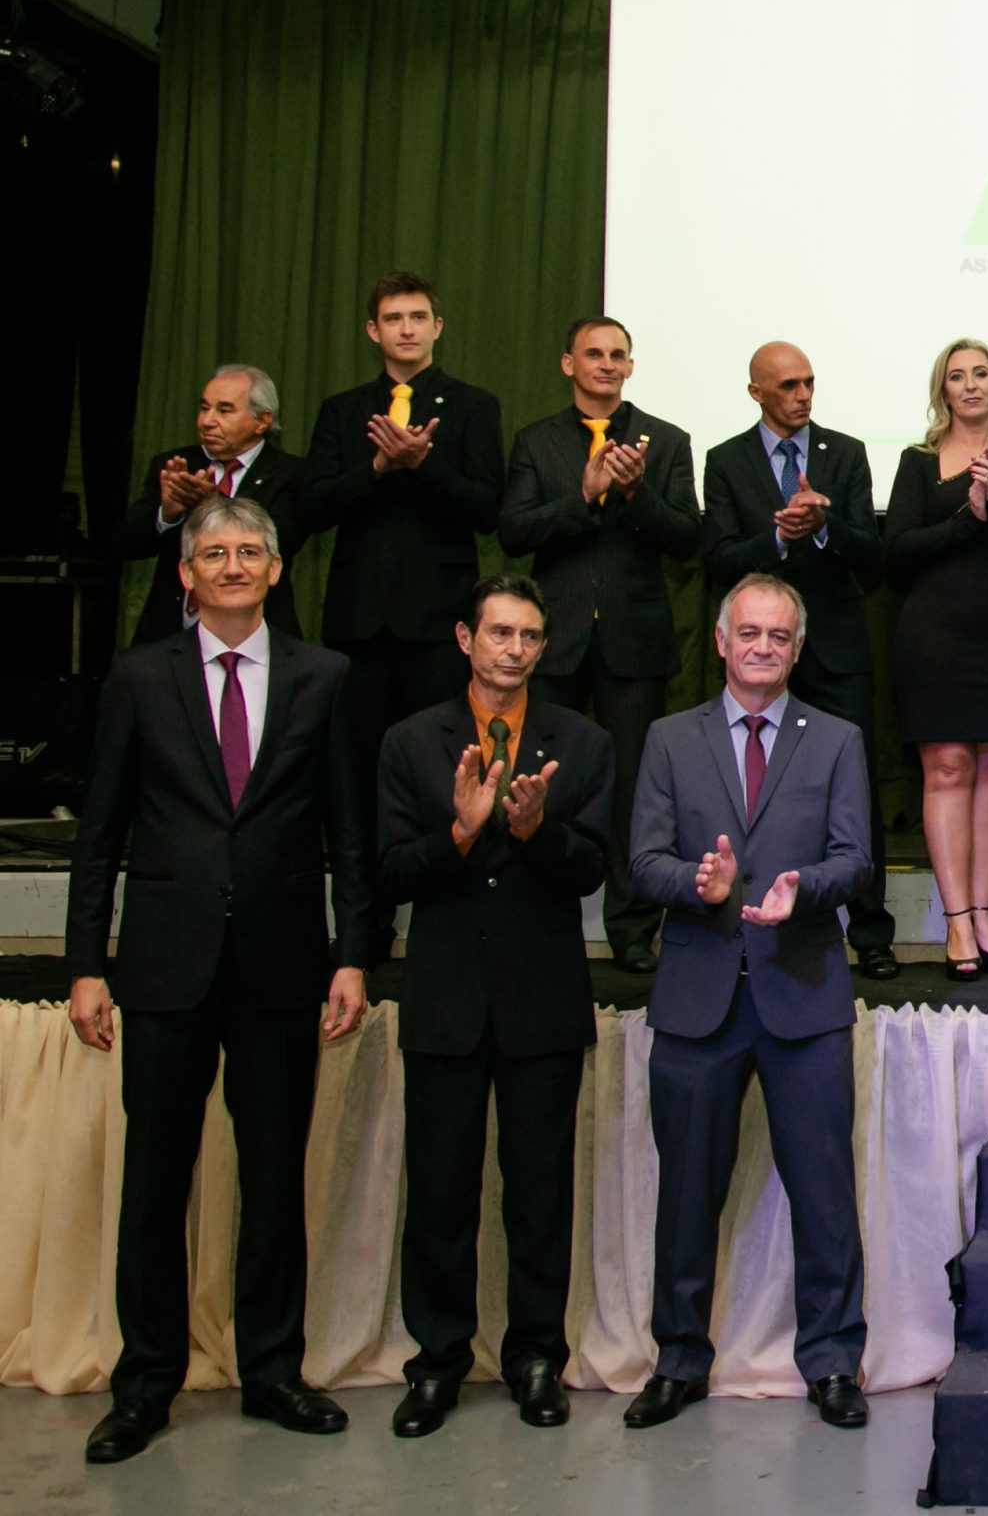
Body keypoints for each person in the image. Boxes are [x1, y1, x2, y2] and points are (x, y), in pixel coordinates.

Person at [64, 495, 372, 1464]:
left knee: (274, 1180)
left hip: (283, 966)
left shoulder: (325, 677)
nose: (233, 565)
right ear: (187, 573)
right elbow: (100, 833)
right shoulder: (139, 676)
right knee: (156, 1182)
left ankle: (273, 1371)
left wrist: (353, 953)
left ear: (277, 570)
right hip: (164, 965)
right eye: (214, 553)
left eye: (249, 551)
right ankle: (145, 1383)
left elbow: (350, 834)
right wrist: (85, 965)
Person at [623, 573, 874, 1432]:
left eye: (779, 635)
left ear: (798, 649)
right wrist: (698, 886)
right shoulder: (669, 738)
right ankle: (678, 1360)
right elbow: (643, 859)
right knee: (686, 1195)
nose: (763, 647)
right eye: (749, 632)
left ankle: (832, 1360)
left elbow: (855, 859)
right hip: (697, 996)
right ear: (722, 641)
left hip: (803, 993)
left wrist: (803, 888)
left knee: (824, 1192)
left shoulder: (837, 739)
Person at [375, 574, 612, 1438]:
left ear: (544, 647)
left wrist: (531, 828)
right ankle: (437, 1362)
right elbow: (390, 872)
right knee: (440, 1192)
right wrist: (461, 831)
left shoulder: (581, 740)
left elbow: (591, 868)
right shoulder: (409, 740)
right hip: (446, 1000)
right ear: (464, 639)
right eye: (500, 632)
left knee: (539, 1193)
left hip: (541, 999)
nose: (514, 648)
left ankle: (536, 1358)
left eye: (529, 635)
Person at [496, 317, 702, 973]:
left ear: (631, 366)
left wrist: (636, 493)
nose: (607, 364)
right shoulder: (537, 441)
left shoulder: (666, 440)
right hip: (552, 642)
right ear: (569, 364)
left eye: (618, 355)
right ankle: (535, 914)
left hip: (633, 641)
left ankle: (633, 928)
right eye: (594, 353)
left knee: (634, 790)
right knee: (540, 783)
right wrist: (582, 496)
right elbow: (513, 532)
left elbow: (686, 538)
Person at [702, 341, 899, 980]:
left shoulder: (845, 452)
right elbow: (718, 558)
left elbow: (871, 554)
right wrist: (777, 539)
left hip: (836, 647)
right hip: (760, 653)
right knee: (752, 786)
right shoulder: (726, 460)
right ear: (756, 391)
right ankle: (750, 918)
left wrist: (823, 528)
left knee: (855, 789)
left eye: (809, 382)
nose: (803, 396)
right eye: (788, 386)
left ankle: (870, 932)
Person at [300, 271, 504, 785]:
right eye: (393, 319)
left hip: (438, 623)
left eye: (418, 317)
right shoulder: (343, 410)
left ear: (438, 327)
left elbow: (487, 510)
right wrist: (375, 469)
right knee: (356, 765)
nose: (407, 329)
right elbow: (313, 507)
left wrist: (422, 465)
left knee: (438, 766)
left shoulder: (473, 406)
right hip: (359, 621)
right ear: (373, 331)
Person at [884, 337, 988, 980]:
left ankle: (983, 916)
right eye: (958, 376)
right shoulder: (918, 462)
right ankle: (955, 921)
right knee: (948, 767)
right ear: (943, 390)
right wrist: (967, 518)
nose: (971, 385)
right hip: (935, 637)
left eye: (981, 374)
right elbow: (896, 549)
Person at [115, 365, 310, 642]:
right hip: (171, 634)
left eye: (224, 410)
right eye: (204, 408)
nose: (206, 421)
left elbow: (282, 542)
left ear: (262, 420)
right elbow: (126, 543)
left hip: (259, 633)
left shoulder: (292, 473)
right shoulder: (175, 466)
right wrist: (167, 514)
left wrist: (212, 504)